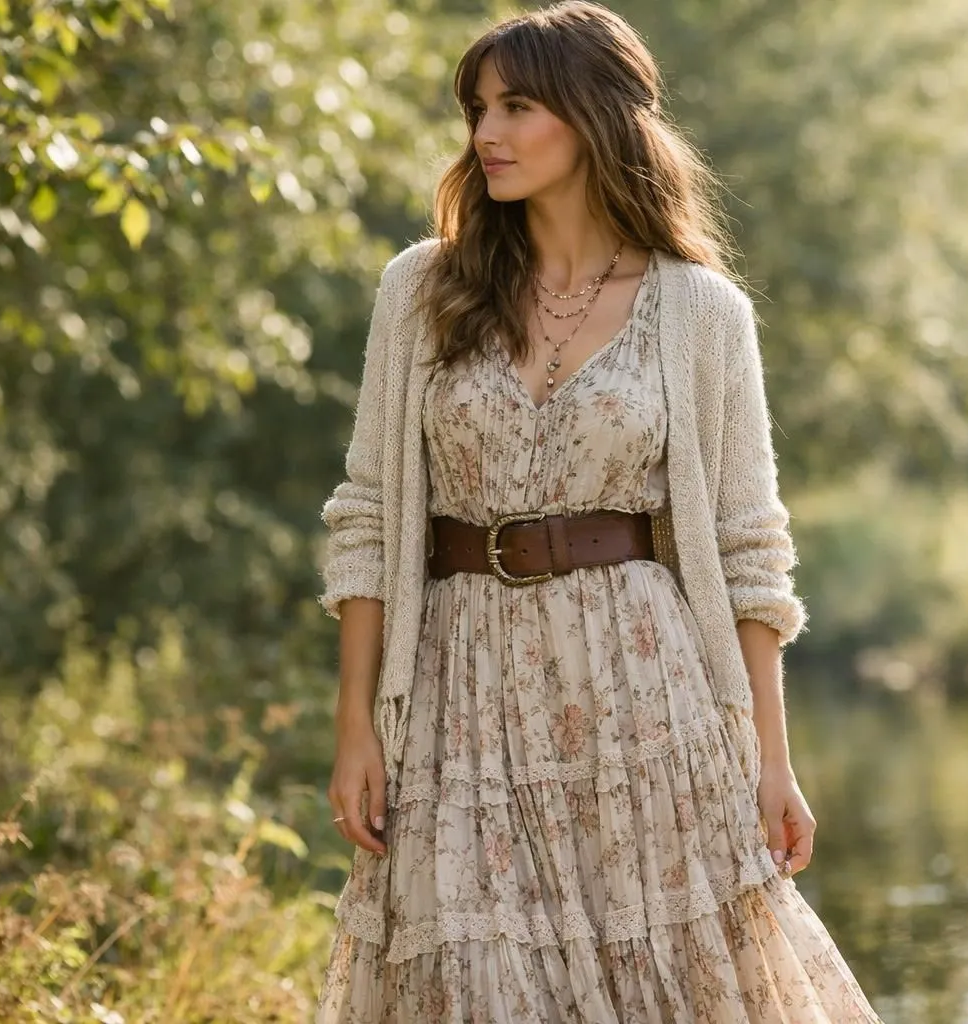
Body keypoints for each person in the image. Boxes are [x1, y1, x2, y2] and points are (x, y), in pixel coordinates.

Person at [314, 3, 883, 1020]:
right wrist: (355, 720)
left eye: (518, 106)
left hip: (644, 696)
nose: (486, 133)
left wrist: (772, 761)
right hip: (458, 691)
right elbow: (367, 517)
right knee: (474, 979)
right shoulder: (421, 290)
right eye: (478, 108)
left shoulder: (701, 312)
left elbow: (752, 551)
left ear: (592, 119)